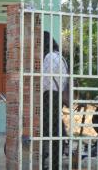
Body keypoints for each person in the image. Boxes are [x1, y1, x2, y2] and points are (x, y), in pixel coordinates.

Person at [42, 31, 69, 170]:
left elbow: (44, 80)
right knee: (56, 130)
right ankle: (55, 164)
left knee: (44, 131)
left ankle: (42, 163)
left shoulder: (48, 57)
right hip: (58, 96)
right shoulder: (60, 57)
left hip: (48, 96)